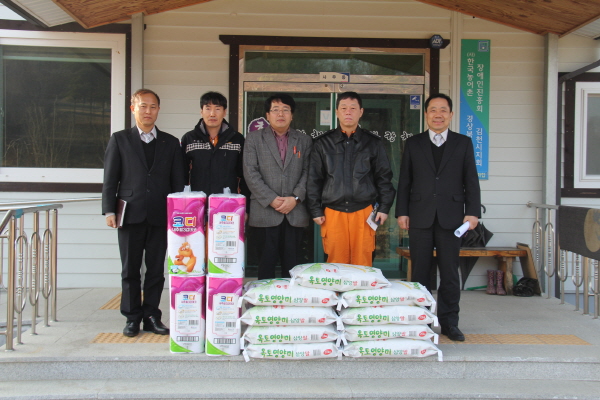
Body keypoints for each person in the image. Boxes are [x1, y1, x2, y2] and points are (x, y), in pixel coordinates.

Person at [395, 93, 481, 342]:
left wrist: (472, 212)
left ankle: (449, 323)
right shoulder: (414, 143)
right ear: (426, 114)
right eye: (433, 110)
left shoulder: (463, 143)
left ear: (451, 115)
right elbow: (405, 181)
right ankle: (421, 322)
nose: (438, 115)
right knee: (420, 273)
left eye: (443, 110)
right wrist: (402, 211)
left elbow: (471, 180)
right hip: (419, 216)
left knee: (450, 273)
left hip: (452, 218)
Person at [102, 89, 185, 337]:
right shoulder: (120, 139)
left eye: (153, 107)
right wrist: (109, 210)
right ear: (133, 109)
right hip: (129, 214)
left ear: (158, 110)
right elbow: (110, 179)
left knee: (156, 270)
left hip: (161, 215)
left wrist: (177, 214)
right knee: (130, 270)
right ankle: (132, 318)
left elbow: (178, 182)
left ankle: (151, 316)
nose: (148, 111)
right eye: (143, 106)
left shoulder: (171, 142)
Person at [307, 91, 395, 267]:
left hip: (364, 211)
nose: (348, 112)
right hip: (333, 212)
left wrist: (384, 207)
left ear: (361, 112)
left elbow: (384, 177)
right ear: (337, 112)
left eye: (353, 108)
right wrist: (315, 210)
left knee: (363, 263)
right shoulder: (323, 143)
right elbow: (314, 179)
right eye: (344, 108)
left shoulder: (373, 143)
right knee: (335, 264)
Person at [243, 94, 312, 279]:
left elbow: (309, 172)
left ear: (292, 115)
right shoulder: (254, 139)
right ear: (267, 115)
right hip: (264, 212)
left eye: (285, 110)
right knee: (265, 267)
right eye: (275, 110)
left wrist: (295, 198)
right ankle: (265, 298)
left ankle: (291, 298)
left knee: (293, 268)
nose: (280, 114)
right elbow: (250, 172)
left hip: (294, 213)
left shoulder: (304, 140)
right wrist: (271, 199)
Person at [181, 91, 249, 197]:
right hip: (197, 201)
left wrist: (243, 202)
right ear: (201, 111)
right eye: (208, 108)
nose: (212, 114)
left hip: (228, 201)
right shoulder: (189, 139)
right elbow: (181, 174)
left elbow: (245, 174)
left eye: (217, 109)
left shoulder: (237, 139)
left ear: (224, 112)